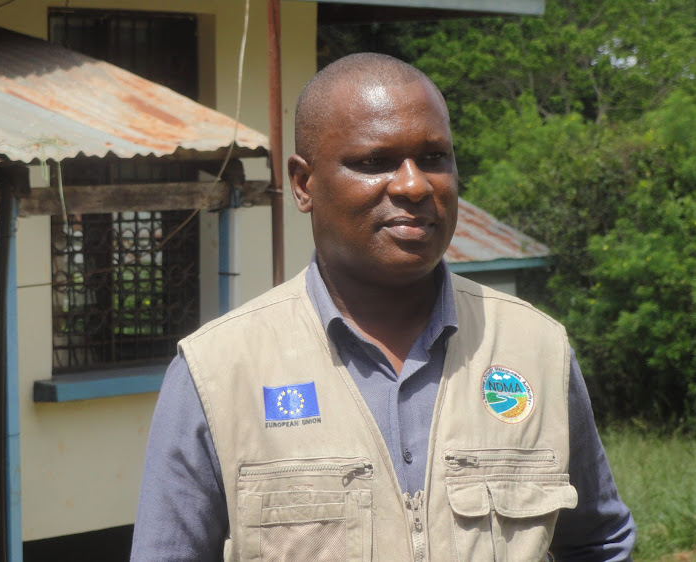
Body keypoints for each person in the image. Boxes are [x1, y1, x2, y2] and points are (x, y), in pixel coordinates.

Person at [131, 53, 635, 561]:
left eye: (434, 157)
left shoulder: (536, 349)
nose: (414, 185)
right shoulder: (218, 371)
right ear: (304, 185)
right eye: (375, 162)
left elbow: (599, 543)